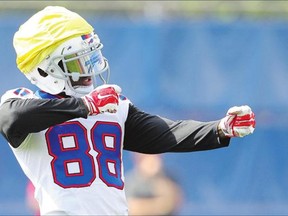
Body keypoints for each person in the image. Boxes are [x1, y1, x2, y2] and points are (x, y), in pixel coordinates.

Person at [0, 6, 255, 216]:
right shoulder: (22, 101)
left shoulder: (109, 105)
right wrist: (84, 107)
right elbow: (12, 117)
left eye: (90, 58)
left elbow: (163, 132)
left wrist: (220, 128)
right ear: (44, 69)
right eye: (78, 61)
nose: (89, 70)